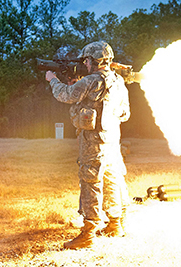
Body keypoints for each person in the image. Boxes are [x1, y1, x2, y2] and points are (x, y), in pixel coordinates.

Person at [45, 41, 131, 250]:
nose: (85, 63)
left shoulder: (92, 80)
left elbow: (65, 94)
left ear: (93, 60)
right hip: (112, 140)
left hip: (94, 142)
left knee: (90, 181)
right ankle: (115, 224)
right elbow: (125, 114)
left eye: (87, 60)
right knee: (112, 179)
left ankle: (88, 233)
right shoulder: (119, 81)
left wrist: (53, 79)